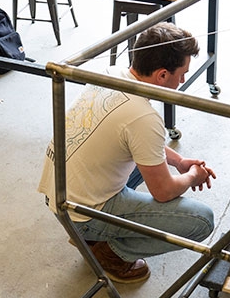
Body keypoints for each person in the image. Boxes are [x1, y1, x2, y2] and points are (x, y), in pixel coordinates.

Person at [37, 23, 216, 283]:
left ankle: (89, 235)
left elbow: (135, 138)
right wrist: (192, 176)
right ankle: (110, 254)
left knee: (140, 158)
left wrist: (179, 162)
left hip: (60, 192)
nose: (183, 81)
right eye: (182, 74)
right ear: (163, 75)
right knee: (202, 221)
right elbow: (163, 191)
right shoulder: (144, 116)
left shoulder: (113, 73)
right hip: (79, 212)